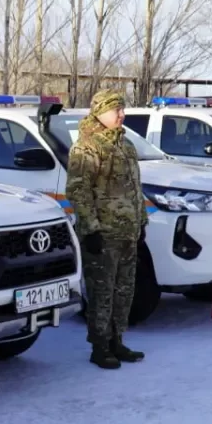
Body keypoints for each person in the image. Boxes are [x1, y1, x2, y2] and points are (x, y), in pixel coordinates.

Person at [65, 89, 147, 369]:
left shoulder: (126, 145)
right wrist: (91, 229)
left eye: (123, 109)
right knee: (103, 292)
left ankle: (117, 340)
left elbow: (136, 188)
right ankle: (100, 346)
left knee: (124, 290)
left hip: (128, 232)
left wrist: (142, 221)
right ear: (100, 112)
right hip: (104, 234)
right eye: (117, 110)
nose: (122, 115)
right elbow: (78, 191)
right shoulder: (87, 146)